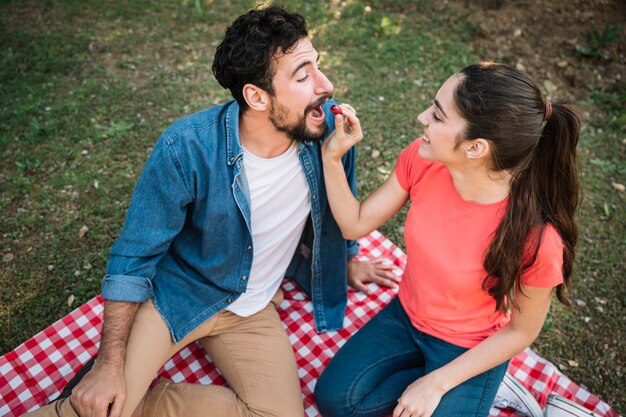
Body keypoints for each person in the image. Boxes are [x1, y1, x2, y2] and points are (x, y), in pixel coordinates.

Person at [26, 6, 396, 417]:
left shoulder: (326, 128)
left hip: (254, 307)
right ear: (256, 96)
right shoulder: (185, 147)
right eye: (303, 74)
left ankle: (143, 400)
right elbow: (131, 259)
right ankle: (114, 395)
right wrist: (109, 364)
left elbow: (339, 205)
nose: (326, 86)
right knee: (102, 405)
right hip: (179, 294)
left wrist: (345, 261)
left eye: (318, 66)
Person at [314, 62, 581, 417]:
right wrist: (332, 158)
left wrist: (437, 382)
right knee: (336, 400)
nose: (422, 117)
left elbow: (520, 331)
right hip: (406, 317)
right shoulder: (422, 161)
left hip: (470, 347)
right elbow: (355, 224)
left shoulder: (537, 236)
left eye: (438, 117)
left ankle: (482, 382)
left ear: (475, 148)